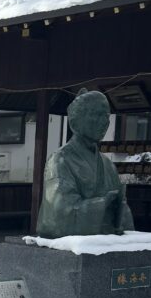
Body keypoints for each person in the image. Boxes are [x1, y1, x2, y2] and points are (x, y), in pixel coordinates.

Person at [35, 89, 134, 238]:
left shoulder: (108, 165)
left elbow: (122, 212)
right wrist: (102, 204)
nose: (104, 122)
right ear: (75, 121)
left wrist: (119, 214)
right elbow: (59, 212)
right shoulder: (61, 160)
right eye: (97, 115)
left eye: (107, 116)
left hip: (104, 241)